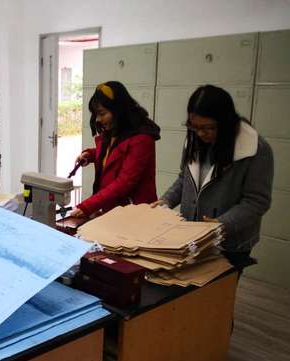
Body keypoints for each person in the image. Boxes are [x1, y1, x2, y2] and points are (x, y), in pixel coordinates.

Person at [152, 85, 273, 272]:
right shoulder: (195, 140)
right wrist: (166, 200)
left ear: (225, 122)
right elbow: (184, 179)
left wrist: (221, 224)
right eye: (195, 127)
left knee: (219, 289)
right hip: (192, 236)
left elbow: (256, 201)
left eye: (208, 128)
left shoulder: (255, 149)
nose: (201, 133)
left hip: (230, 243)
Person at [69, 81, 160, 218]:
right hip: (113, 210)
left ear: (119, 109)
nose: (98, 119)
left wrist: (89, 206)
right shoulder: (116, 130)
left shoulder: (142, 138)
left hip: (134, 214)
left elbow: (124, 182)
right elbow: (114, 153)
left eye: (102, 113)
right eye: (96, 114)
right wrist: (91, 154)